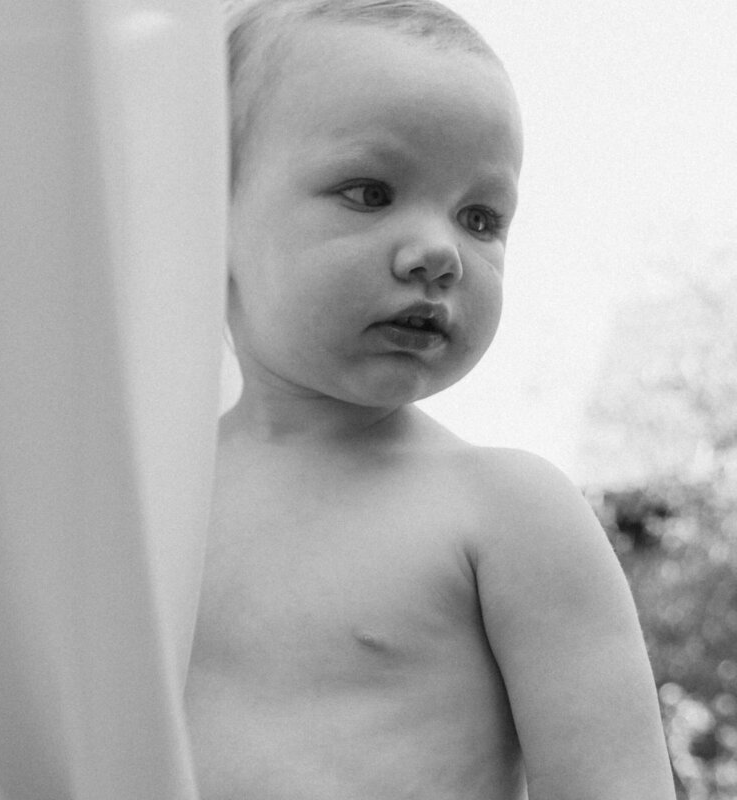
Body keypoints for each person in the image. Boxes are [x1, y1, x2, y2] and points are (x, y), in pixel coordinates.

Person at [183, 2, 676, 799]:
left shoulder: (506, 510)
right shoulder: (149, 505)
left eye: (481, 217)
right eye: (370, 192)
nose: (439, 253)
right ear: (212, 211)